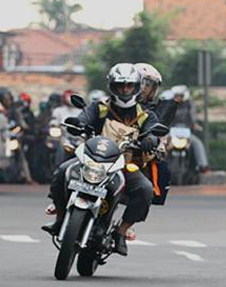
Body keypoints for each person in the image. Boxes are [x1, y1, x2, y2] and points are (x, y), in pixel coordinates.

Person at [42, 63, 161, 257]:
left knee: (145, 189)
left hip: (123, 165)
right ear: (112, 86)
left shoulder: (145, 115)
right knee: (63, 170)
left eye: (129, 86)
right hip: (91, 161)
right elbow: (83, 118)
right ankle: (60, 217)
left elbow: (154, 131)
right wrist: (78, 124)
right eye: (120, 86)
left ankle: (122, 232)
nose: (124, 90)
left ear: (136, 87)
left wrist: (150, 140)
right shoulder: (99, 107)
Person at [171, 84, 208, 173]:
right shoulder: (170, 105)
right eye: (176, 95)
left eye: (180, 96)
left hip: (186, 132)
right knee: (162, 144)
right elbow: (165, 116)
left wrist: (195, 124)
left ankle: (202, 165)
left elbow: (193, 116)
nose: (178, 98)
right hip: (172, 132)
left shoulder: (190, 105)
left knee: (197, 143)